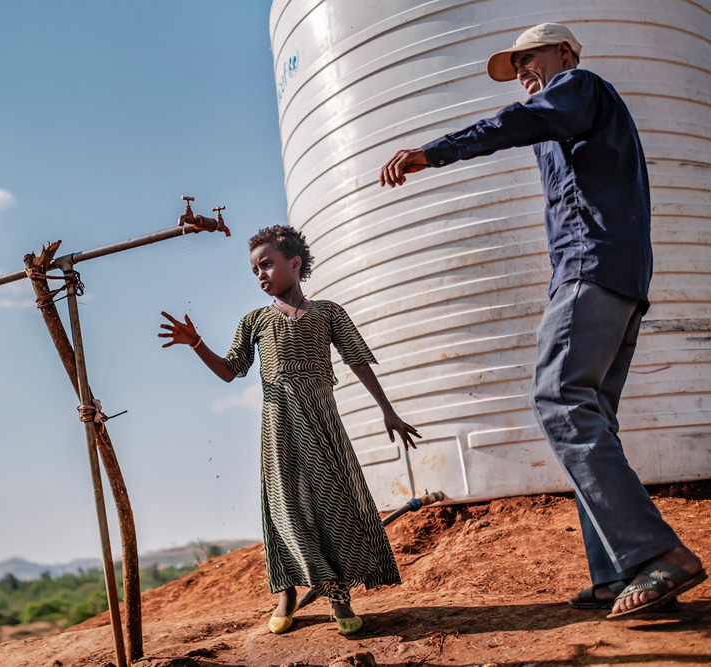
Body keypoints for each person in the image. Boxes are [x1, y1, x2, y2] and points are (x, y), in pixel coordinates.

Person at [378, 23, 705, 619]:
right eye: (516, 66)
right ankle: (616, 570)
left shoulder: (578, 88)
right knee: (591, 416)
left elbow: (512, 123)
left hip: (594, 271)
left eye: (530, 59)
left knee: (558, 399)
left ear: (565, 53)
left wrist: (434, 152)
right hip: (617, 277)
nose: (523, 71)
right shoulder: (568, 118)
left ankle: (658, 552)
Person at [159, 225, 421, 635]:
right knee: (284, 506)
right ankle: (287, 591)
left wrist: (388, 410)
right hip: (279, 426)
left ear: (294, 264)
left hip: (322, 424)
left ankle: (338, 594)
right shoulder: (255, 321)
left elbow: (357, 360)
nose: (261, 274)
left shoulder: (328, 313)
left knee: (334, 501)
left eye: (267, 264)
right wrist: (196, 343)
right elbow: (231, 372)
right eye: (255, 270)